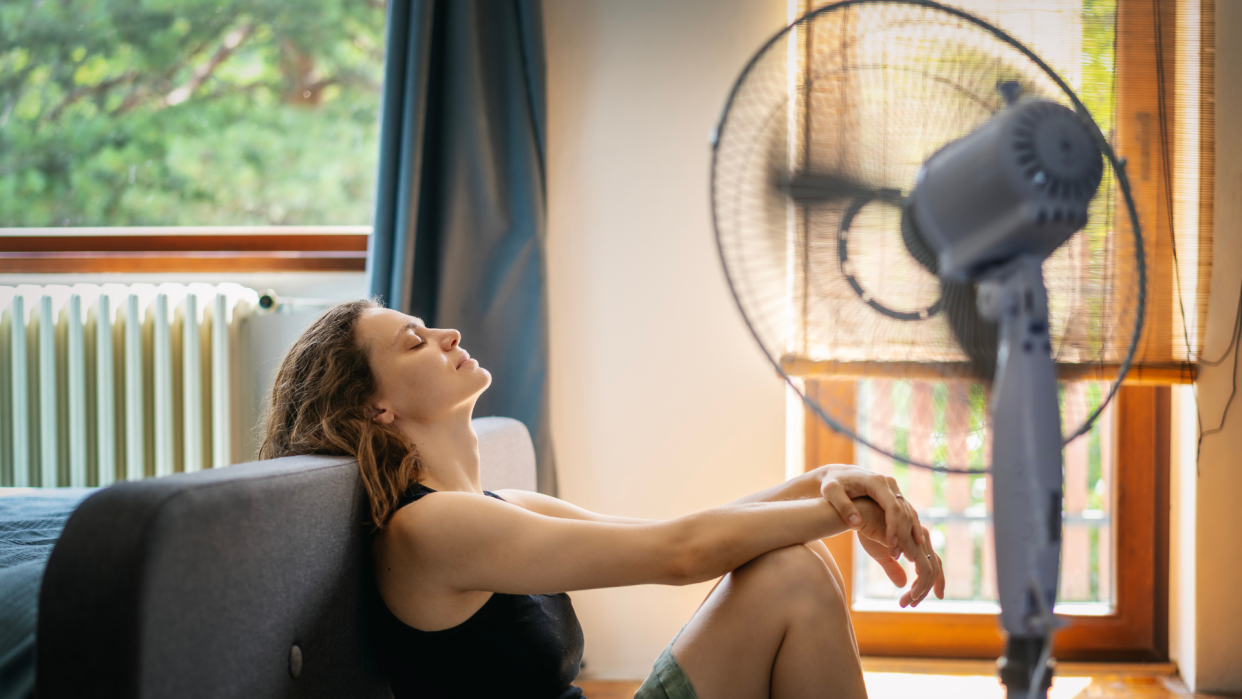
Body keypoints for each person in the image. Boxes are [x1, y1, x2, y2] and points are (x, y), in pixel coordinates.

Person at [260, 299, 945, 699]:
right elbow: (681, 554)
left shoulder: (497, 505)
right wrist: (849, 509)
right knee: (792, 573)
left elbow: (683, 529)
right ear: (375, 405)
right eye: (416, 342)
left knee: (791, 561)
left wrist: (833, 482)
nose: (450, 336)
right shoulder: (430, 529)